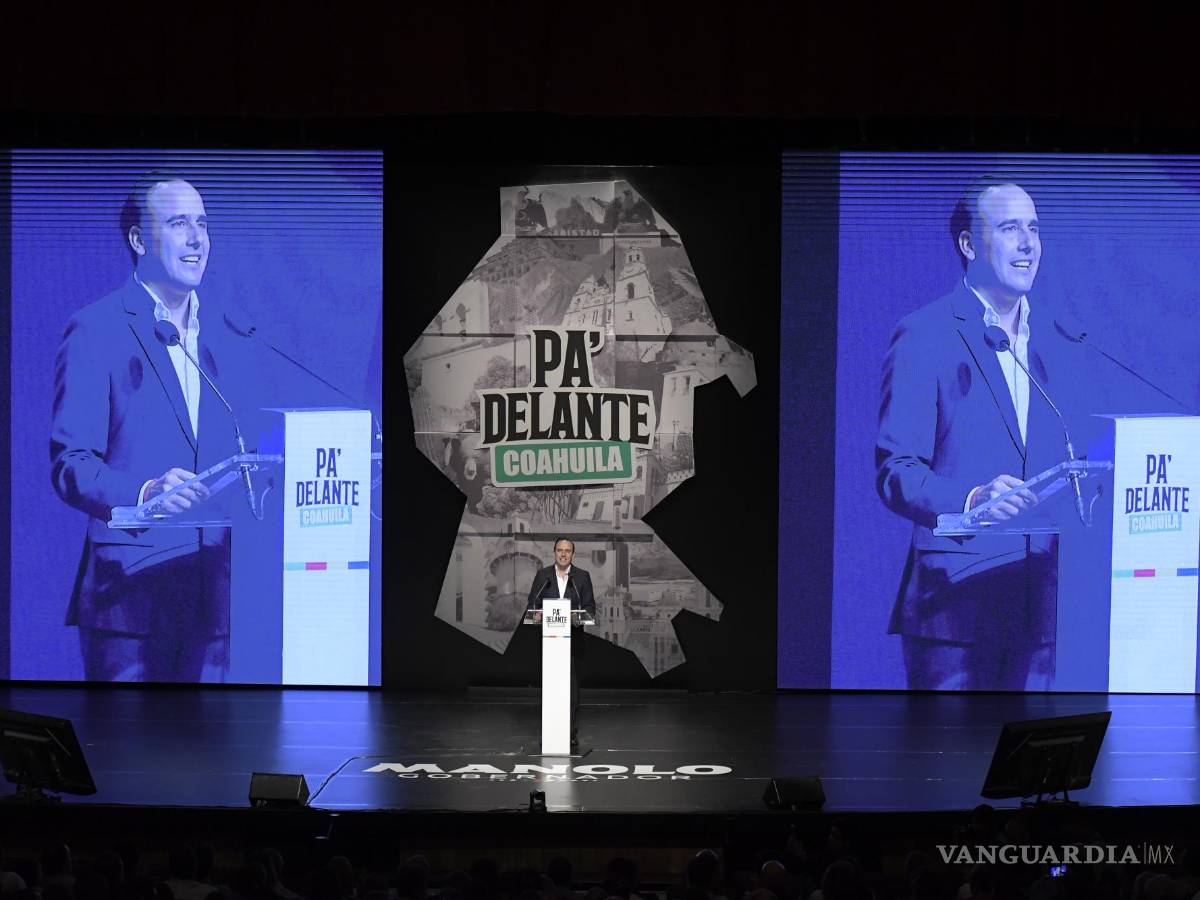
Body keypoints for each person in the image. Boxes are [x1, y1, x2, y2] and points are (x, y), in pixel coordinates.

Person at [50, 171, 260, 682]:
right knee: (126, 759)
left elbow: (247, 456)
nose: (196, 239)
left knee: (208, 761)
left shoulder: (228, 334)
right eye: (179, 223)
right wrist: (145, 491)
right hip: (130, 602)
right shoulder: (96, 328)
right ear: (139, 240)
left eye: (203, 224)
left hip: (213, 600)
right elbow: (70, 465)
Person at [876, 178, 1084, 691]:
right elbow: (895, 472)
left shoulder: (1058, 339)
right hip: (956, 610)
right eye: (1010, 228)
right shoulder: (926, 333)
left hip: (1042, 609)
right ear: (969, 245)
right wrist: (972, 498)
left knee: (1032, 768)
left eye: (1034, 229)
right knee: (948, 770)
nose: (1027, 243)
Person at [525, 538, 596, 751]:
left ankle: (570, 733)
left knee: (571, 690)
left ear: (573, 554)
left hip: (573, 643)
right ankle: (550, 732)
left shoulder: (582, 577)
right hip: (549, 643)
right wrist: (537, 613)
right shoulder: (543, 576)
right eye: (559, 550)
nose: (563, 554)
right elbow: (532, 604)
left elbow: (590, 607)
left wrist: (576, 617)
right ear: (554, 552)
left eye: (567, 551)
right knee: (551, 689)